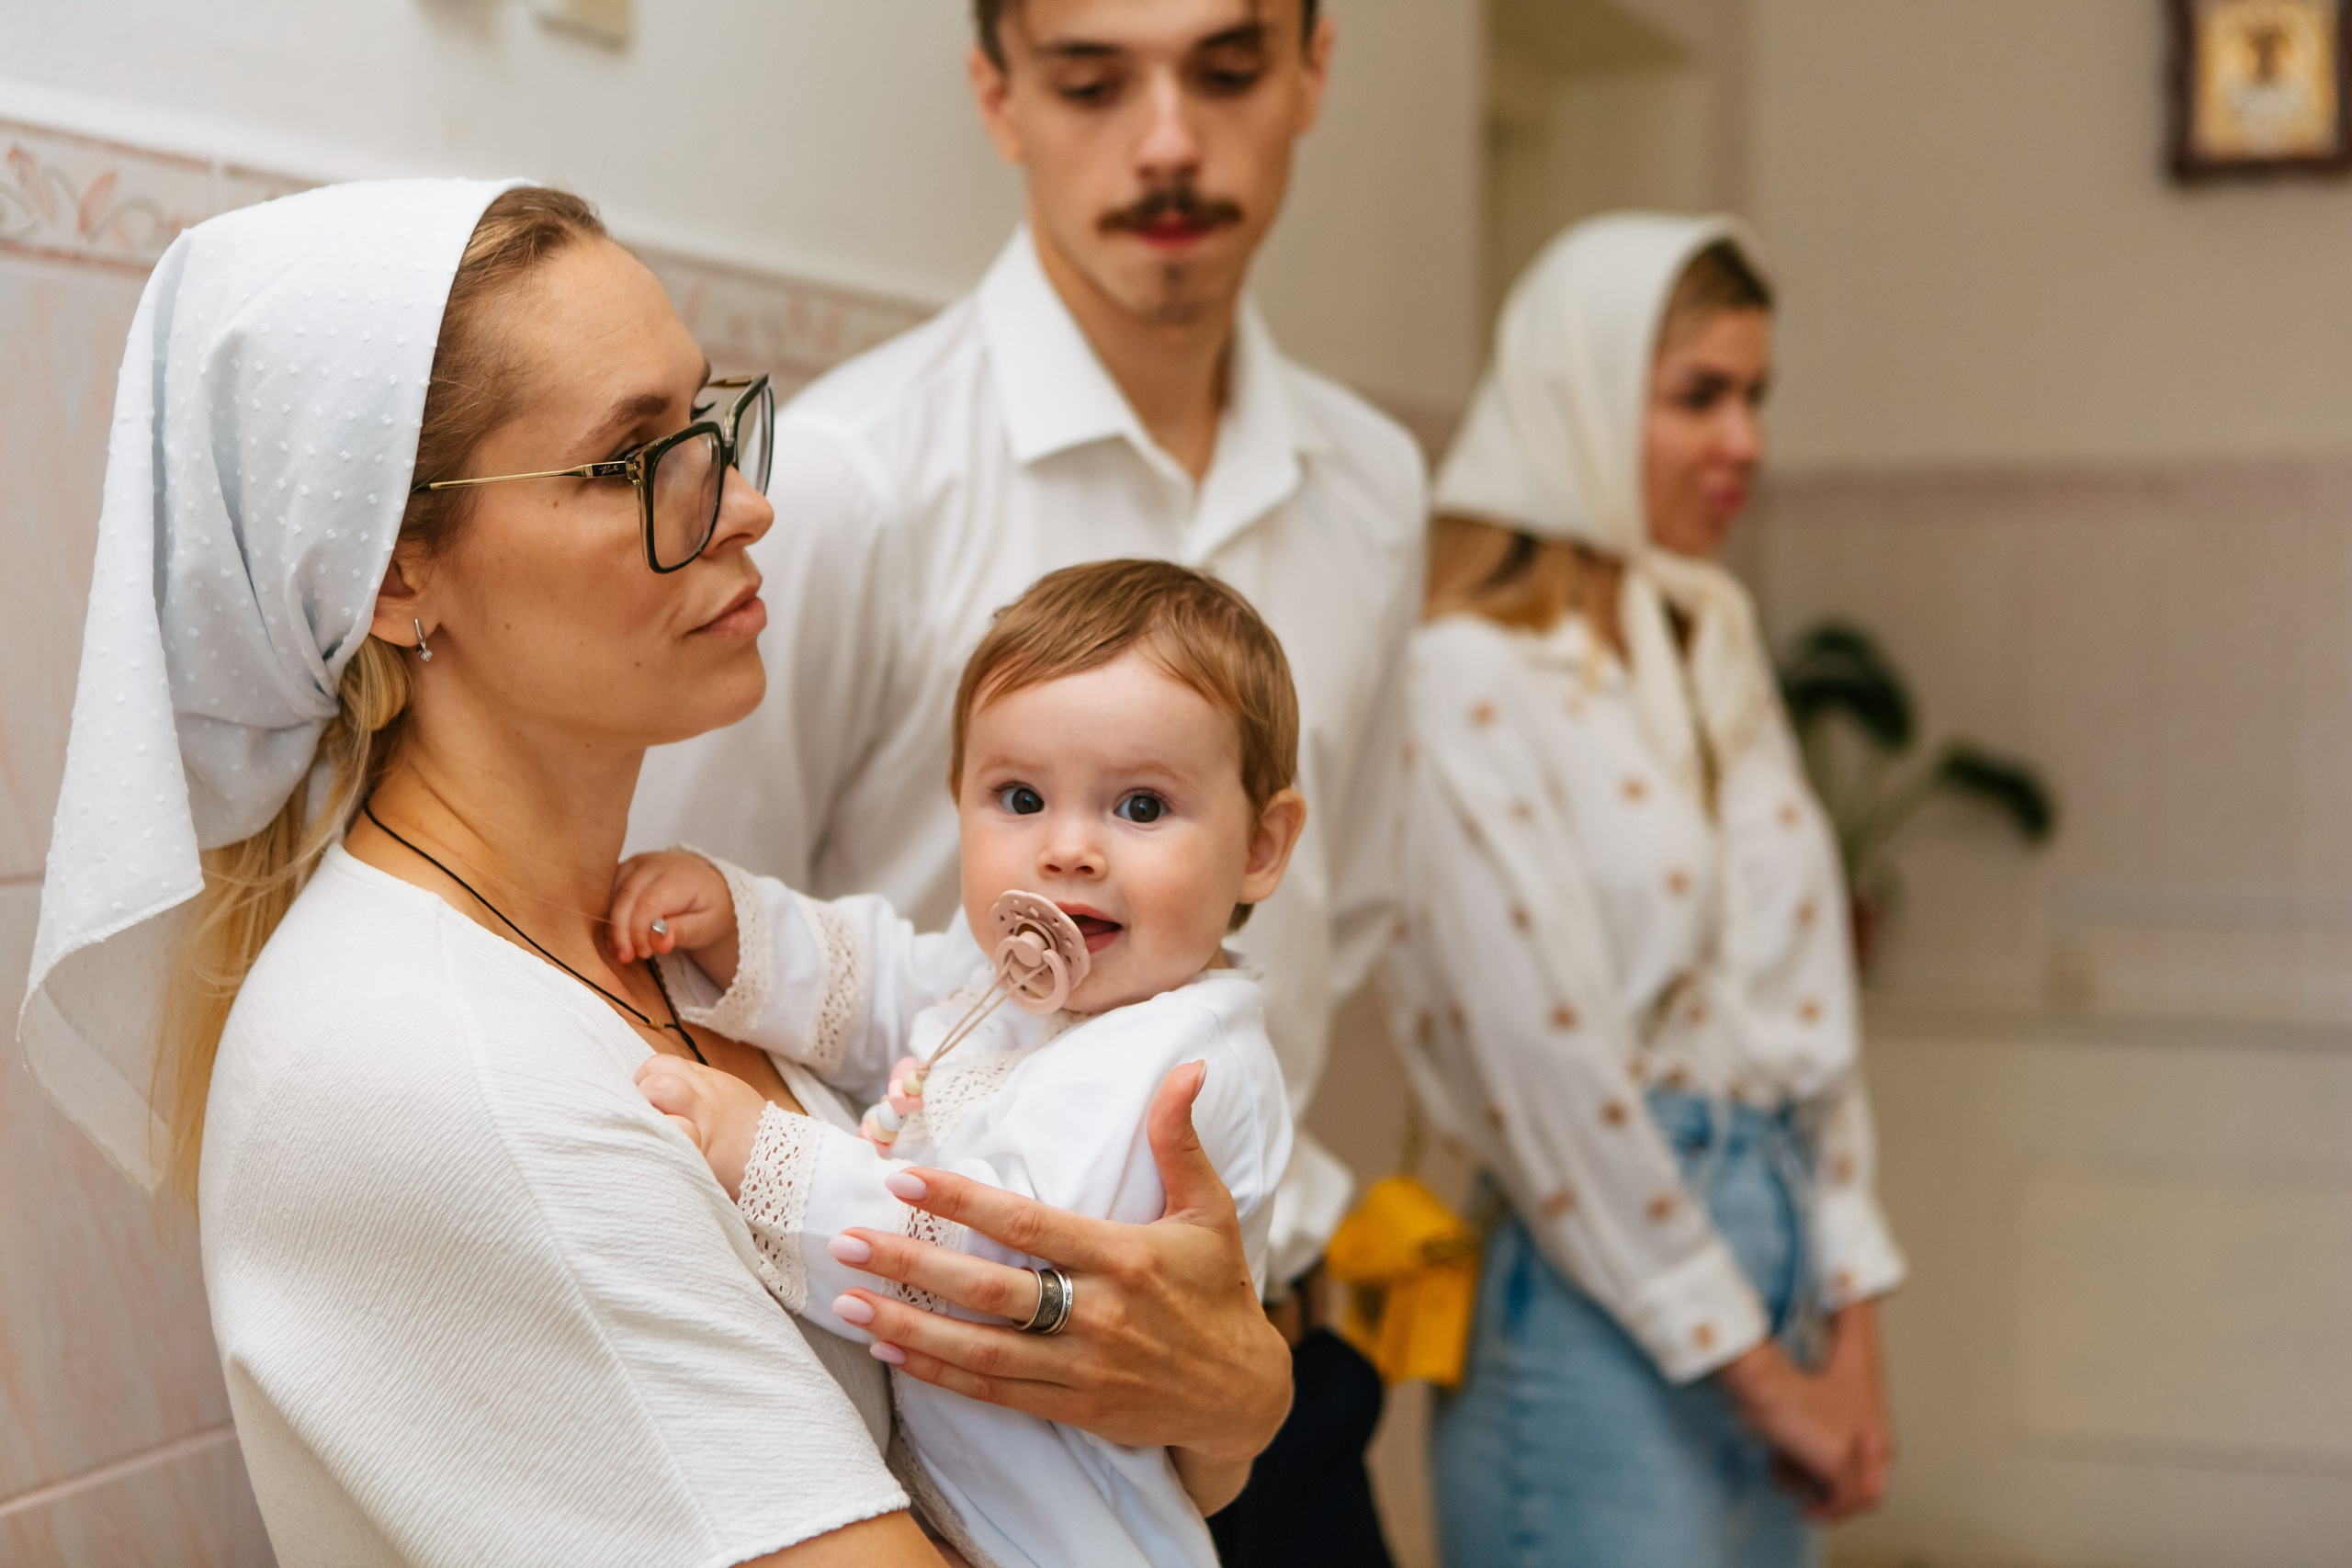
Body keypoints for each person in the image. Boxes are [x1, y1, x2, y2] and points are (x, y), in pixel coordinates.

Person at [17, 178, 1290, 1568]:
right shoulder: (430, 1066)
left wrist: (1230, 1393)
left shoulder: (666, 945)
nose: (744, 503)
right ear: (397, 578)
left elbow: (1063, 1434)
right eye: (637, 460)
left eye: (709, 421)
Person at [627, 4, 1425, 1557]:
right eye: (1089, 78)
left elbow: (1351, 911)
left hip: (1279, 1375)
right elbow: (681, 971)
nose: (1171, 139)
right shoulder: (855, 480)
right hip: (947, 1424)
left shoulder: (1376, 490)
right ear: (997, 94)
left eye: (1231, 66)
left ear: (1317, 70)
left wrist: (1232, 1372)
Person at [1379, 213, 1905, 1567]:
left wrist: (1853, 1331)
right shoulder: (1466, 677)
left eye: (1756, 394)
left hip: (1772, 1246)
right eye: (1699, 396)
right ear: (1581, 400)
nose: (1749, 440)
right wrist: (1766, 1378)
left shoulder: (1712, 641)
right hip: (1594, 1285)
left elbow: (1813, 1009)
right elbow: (1545, 1065)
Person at [611, 560, 1305, 1568]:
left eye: (1142, 808)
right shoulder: (1012, 982)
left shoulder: (1180, 1060)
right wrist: (738, 923)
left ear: (1260, 848)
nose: (1067, 849)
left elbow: (980, 1259)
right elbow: (888, 981)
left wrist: (758, 1153)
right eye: (1018, 797)